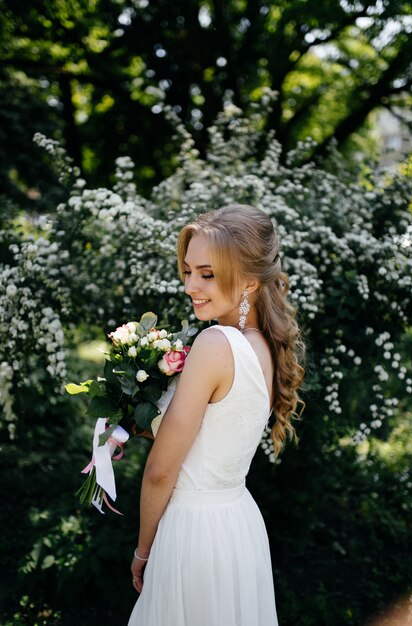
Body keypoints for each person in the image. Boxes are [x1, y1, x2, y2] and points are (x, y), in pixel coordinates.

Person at [128, 204, 304, 626]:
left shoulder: (215, 344)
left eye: (206, 274)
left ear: (247, 280)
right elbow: (212, 440)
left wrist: (143, 551)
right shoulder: (264, 346)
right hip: (238, 524)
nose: (191, 285)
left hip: (193, 533)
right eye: (188, 271)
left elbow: (159, 473)